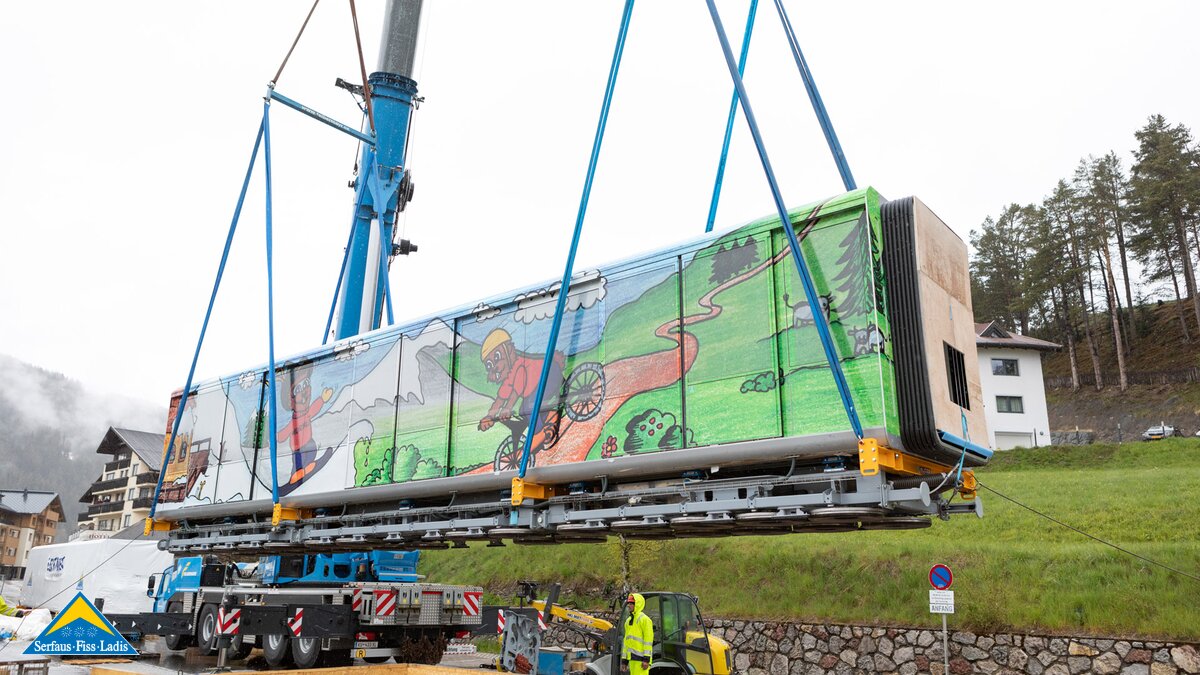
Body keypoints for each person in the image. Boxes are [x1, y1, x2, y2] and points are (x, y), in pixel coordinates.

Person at [477, 328, 562, 446]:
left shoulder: (519, 365)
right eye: (489, 365)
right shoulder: (509, 375)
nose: (494, 367)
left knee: (527, 407)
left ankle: (538, 433)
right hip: (539, 385)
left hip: (550, 374)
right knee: (525, 409)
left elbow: (516, 391)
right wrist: (490, 416)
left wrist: (507, 408)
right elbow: (500, 398)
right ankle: (548, 417)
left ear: (508, 349)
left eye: (496, 357)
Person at [621, 593, 653, 675]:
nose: (629, 606)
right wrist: (624, 660)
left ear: (637, 604)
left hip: (641, 660)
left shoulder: (645, 620)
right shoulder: (628, 621)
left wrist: (646, 659)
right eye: (628, 603)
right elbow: (626, 642)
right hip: (632, 659)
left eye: (631, 603)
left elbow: (648, 641)